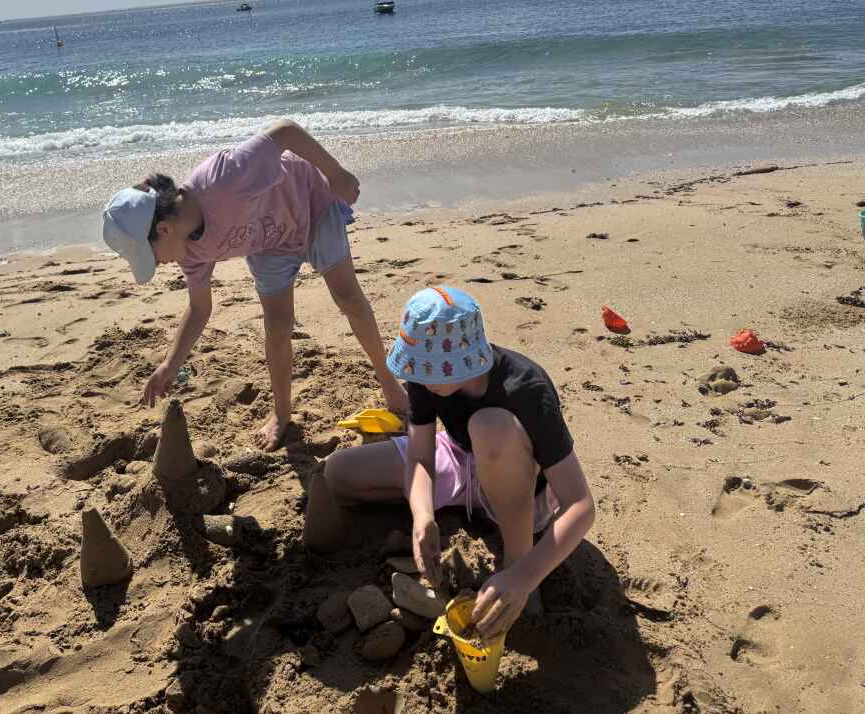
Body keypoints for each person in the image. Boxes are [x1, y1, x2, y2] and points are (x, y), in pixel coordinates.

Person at [101, 119, 408, 450]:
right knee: (277, 324)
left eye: (152, 257)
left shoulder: (223, 178)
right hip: (269, 242)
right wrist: (169, 364)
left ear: (163, 230)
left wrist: (335, 174)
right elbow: (199, 308)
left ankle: (389, 382)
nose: (159, 265)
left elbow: (286, 132)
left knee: (348, 298)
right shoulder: (189, 252)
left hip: (311, 204)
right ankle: (281, 413)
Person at [323, 285, 595, 638]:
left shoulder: (526, 388)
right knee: (339, 472)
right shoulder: (425, 375)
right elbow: (420, 457)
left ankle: (514, 560)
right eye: (419, 371)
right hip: (460, 457)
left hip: (522, 485)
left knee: (489, 426)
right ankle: (470, 510)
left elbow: (580, 504)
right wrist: (423, 515)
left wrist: (524, 575)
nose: (421, 381)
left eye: (432, 373)